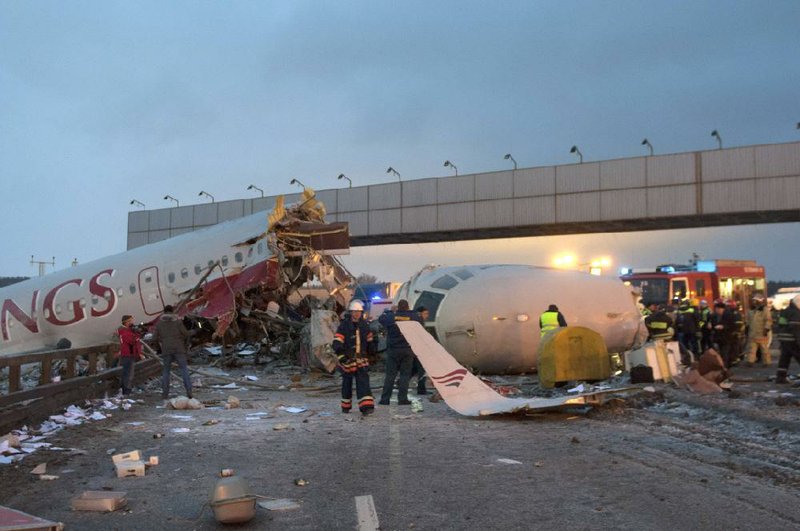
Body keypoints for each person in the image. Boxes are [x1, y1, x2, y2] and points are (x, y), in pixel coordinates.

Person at [333, 300, 376, 415]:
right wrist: (341, 356)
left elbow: (370, 341)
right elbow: (337, 342)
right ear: (351, 312)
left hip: (361, 360)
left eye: (359, 312)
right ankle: (346, 406)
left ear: (361, 313)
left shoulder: (365, 326)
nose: (357, 314)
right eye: (355, 312)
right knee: (347, 383)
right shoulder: (344, 326)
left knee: (364, 383)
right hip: (348, 360)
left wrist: (372, 354)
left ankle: (366, 407)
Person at [378, 300, 423, 405]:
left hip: (393, 350)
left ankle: (385, 399)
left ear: (398, 307)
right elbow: (420, 320)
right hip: (407, 350)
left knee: (390, 375)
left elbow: (381, 319)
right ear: (407, 307)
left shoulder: (391, 317)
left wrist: (390, 311)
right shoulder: (413, 317)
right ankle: (402, 399)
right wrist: (410, 312)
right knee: (405, 375)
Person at [153, 305, 193, 399]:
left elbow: (154, 338)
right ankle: (189, 391)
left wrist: (159, 348)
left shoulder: (159, 324)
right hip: (179, 349)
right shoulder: (178, 322)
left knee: (166, 371)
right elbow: (186, 333)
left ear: (164, 312)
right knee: (184, 369)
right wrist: (193, 332)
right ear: (172, 311)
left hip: (166, 350)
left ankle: (165, 393)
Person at [775, 295, 800, 384]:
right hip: (792, 340)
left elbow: (780, 325)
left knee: (784, 359)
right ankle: (780, 378)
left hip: (783, 339)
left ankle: (780, 377)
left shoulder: (785, 311)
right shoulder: (796, 313)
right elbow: (796, 329)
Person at [117, 315, 143, 395]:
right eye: (130, 321)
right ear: (126, 322)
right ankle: (126, 391)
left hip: (129, 354)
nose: (132, 322)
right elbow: (132, 341)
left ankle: (126, 389)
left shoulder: (127, 331)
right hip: (128, 354)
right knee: (128, 374)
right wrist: (137, 335)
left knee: (128, 373)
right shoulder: (125, 331)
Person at [746, 295, 772, 367]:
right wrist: (747, 328)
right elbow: (748, 320)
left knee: (764, 349)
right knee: (751, 349)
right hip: (752, 333)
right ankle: (750, 361)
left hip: (761, 332)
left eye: (755, 301)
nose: (754, 302)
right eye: (753, 301)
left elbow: (768, 320)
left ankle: (767, 362)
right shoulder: (750, 310)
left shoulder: (765, 310)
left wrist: (766, 329)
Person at [711, 300, 738, 368]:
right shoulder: (714, 316)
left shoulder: (729, 315)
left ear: (721, 309)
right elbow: (712, 324)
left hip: (727, 337)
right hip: (718, 337)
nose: (716, 311)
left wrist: (723, 327)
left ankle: (725, 366)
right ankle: (724, 364)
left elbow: (733, 326)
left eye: (717, 309)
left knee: (725, 352)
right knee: (721, 352)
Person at [410, 306, 430, 395]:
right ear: (420, 313)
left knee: (414, 369)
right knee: (422, 369)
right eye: (425, 313)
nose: (427, 316)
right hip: (419, 350)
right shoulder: (419, 322)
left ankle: (401, 382)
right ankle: (421, 389)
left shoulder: (416, 321)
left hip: (416, 350)